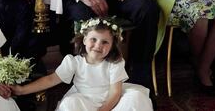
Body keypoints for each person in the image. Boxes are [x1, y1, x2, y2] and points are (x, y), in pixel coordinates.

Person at [11, 17, 153, 110]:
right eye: (93, 40)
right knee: (70, 104)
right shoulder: (74, 62)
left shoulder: (114, 63)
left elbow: (115, 93)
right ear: (84, 40)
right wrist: (22, 90)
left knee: (136, 98)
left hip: (112, 102)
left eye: (105, 42)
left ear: (112, 46)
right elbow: (51, 79)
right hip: (85, 102)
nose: (98, 45)